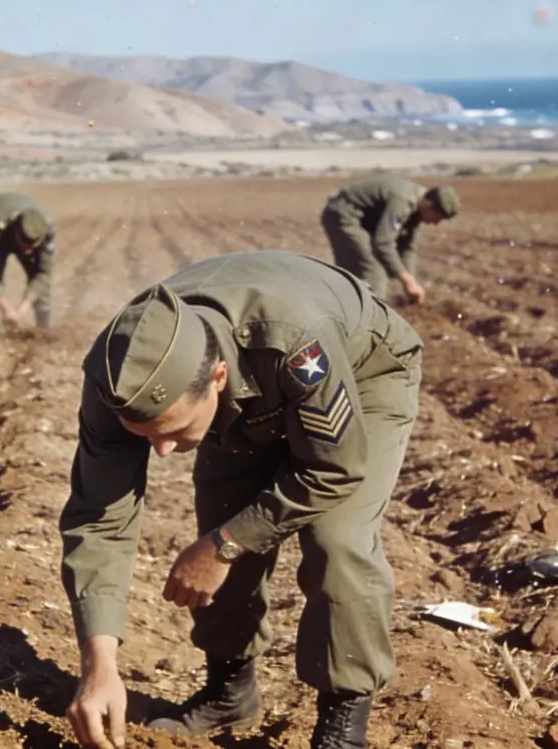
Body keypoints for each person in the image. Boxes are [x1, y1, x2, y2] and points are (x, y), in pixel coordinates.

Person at [58, 250, 424, 749]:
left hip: (360, 371)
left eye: (174, 430)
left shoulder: (297, 344)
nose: (162, 451)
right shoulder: (117, 377)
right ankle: (229, 692)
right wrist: (98, 665)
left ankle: (343, 722)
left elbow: (333, 468)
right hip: (254, 380)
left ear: (217, 378)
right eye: (146, 436)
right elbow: (99, 516)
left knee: (337, 539)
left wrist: (226, 544)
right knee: (223, 512)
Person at [319, 174, 460, 306]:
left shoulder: (417, 207)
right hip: (344, 216)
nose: (436, 223)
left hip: (362, 221)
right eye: (438, 218)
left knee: (362, 272)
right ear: (429, 205)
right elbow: (382, 243)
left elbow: (407, 247)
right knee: (374, 271)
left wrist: (409, 280)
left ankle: (345, 306)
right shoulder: (403, 202)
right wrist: (406, 280)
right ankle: (369, 317)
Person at [0, 192, 56, 331]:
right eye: (24, 244)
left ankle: (44, 328)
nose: (27, 251)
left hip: (14, 225)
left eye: (32, 246)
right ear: (16, 232)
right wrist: (6, 309)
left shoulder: (48, 229)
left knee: (40, 281)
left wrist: (22, 310)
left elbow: (43, 274)